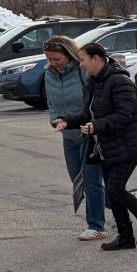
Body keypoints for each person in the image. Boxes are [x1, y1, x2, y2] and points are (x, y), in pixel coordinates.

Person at [77, 43, 137, 251]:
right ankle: (125, 236)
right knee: (114, 193)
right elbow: (88, 114)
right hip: (107, 147)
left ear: (96, 58)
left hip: (128, 145)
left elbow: (124, 115)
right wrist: (65, 121)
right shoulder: (94, 82)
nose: (81, 65)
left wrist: (96, 126)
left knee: (115, 188)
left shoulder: (120, 81)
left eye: (83, 60)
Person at [46, 37, 108, 240]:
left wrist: (92, 124)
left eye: (57, 59)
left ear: (69, 55)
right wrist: (55, 120)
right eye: (50, 59)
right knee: (78, 180)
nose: (54, 63)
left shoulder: (82, 71)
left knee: (90, 181)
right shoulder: (49, 74)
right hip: (68, 134)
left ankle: (96, 225)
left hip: (87, 133)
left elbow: (92, 101)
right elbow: (51, 102)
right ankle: (123, 203)